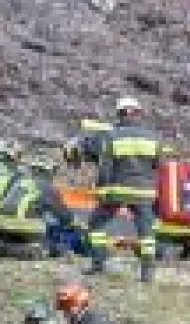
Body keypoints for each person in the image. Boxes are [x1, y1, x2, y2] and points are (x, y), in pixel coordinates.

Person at [71, 97, 167, 283]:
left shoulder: (112, 136)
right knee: (146, 233)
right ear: (138, 113)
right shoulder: (153, 137)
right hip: (144, 192)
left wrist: (101, 189)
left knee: (96, 224)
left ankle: (98, 263)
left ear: (119, 114)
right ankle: (147, 273)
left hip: (118, 190)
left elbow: (105, 167)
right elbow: (158, 165)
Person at [0, 158, 77, 258]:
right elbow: (64, 215)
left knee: (17, 236)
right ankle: (21, 250)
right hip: (26, 228)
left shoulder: (20, 182)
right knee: (52, 246)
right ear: (48, 172)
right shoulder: (48, 187)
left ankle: (0, 245)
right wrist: (74, 223)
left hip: (3, 226)